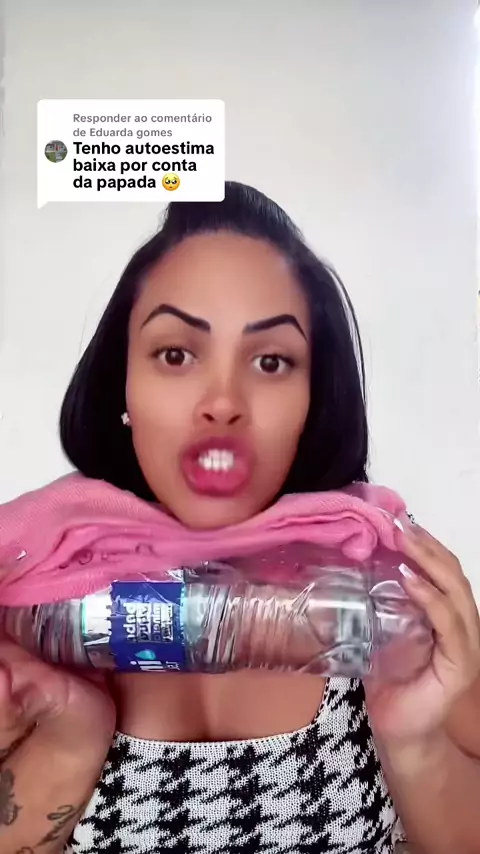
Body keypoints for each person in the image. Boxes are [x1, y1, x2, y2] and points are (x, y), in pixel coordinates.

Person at [0, 182, 479, 854]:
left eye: (271, 361)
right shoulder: (31, 585)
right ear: (122, 386)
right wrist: (69, 736)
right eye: (176, 354)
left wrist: (417, 745)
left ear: (312, 398)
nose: (223, 401)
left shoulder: (383, 587)